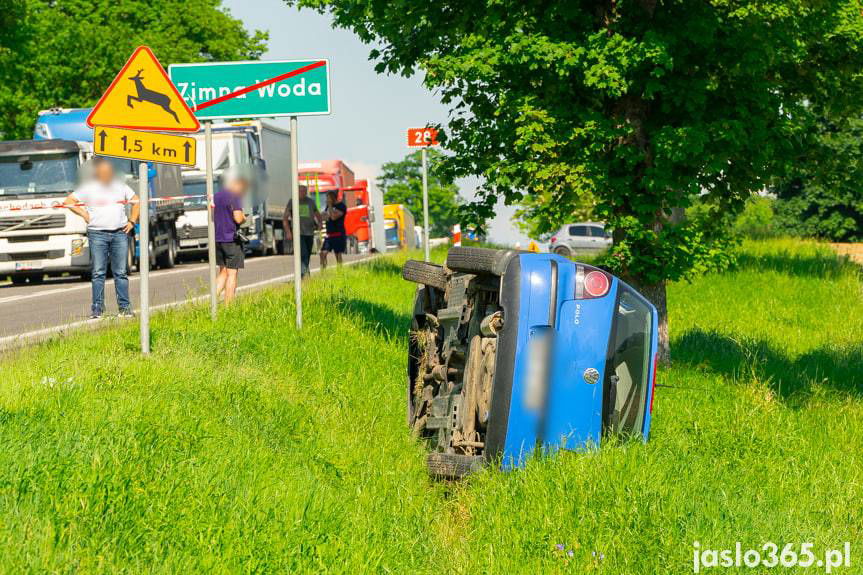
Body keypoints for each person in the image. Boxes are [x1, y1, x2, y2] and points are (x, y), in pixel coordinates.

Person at [65, 157, 138, 319]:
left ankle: (124, 308)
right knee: (98, 272)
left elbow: (136, 201)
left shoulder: (120, 186)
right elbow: (69, 201)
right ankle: (97, 308)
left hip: (119, 233)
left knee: (120, 272)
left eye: (108, 172)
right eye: (103, 172)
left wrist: (132, 221)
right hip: (97, 234)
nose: (106, 175)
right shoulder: (88, 187)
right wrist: (84, 213)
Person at [214, 175, 248, 305]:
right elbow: (238, 218)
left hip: (218, 238)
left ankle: (212, 303)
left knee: (222, 272)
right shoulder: (235, 196)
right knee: (232, 274)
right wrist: (244, 218)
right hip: (231, 239)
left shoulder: (217, 196)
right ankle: (229, 306)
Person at [283, 185, 322, 277]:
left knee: (308, 253)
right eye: (300, 191)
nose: (302, 193)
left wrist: (320, 223)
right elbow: (285, 218)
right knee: (303, 253)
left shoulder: (310, 202)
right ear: (297, 192)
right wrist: (288, 232)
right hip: (298, 233)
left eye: (304, 191)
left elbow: (318, 214)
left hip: (309, 232)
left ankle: (304, 271)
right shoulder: (292, 202)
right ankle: (304, 274)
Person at [320, 190, 347, 269]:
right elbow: (325, 216)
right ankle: (323, 271)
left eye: (328, 197)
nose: (327, 199)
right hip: (329, 234)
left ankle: (340, 271)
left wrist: (330, 207)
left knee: (337, 254)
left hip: (338, 233)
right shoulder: (328, 207)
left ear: (333, 197)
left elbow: (333, 217)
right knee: (323, 253)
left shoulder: (341, 206)